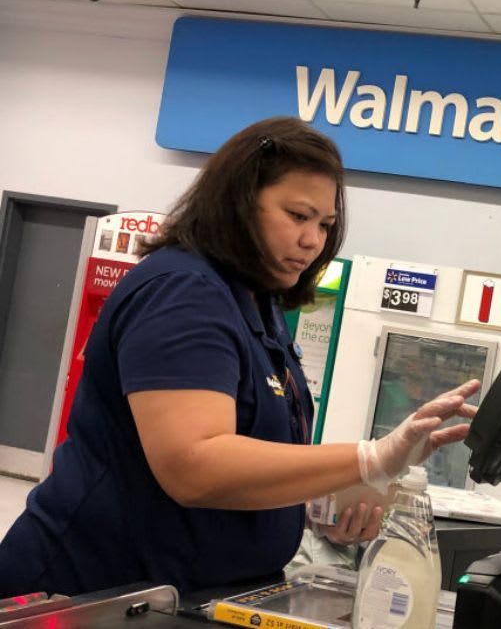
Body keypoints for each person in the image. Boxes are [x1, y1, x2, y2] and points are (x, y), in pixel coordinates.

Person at [0, 117, 477, 597]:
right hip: (91, 593)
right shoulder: (183, 293)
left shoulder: (257, 299)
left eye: (325, 224)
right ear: (239, 203)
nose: (313, 240)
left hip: (191, 592)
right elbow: (194, 465)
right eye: (298, 215)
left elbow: (249, 450)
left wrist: (317, 505)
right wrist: (370, 458)